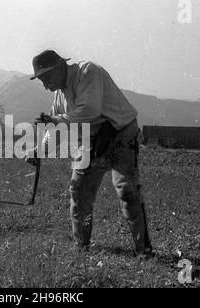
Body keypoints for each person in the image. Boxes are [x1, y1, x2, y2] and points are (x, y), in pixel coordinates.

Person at [25, 50, 153, 258]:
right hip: (91, 140)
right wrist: (40, 151)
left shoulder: (88, 72)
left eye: (46, 76)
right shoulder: (59, 98)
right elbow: (58, 129)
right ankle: (81, 248)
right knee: (79, 191)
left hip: (120, 132)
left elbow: (89, 111)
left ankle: (144, 250)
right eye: (41, 80)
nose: (45, 84)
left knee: (127, 190)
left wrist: (56, 121)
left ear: (60, 67)